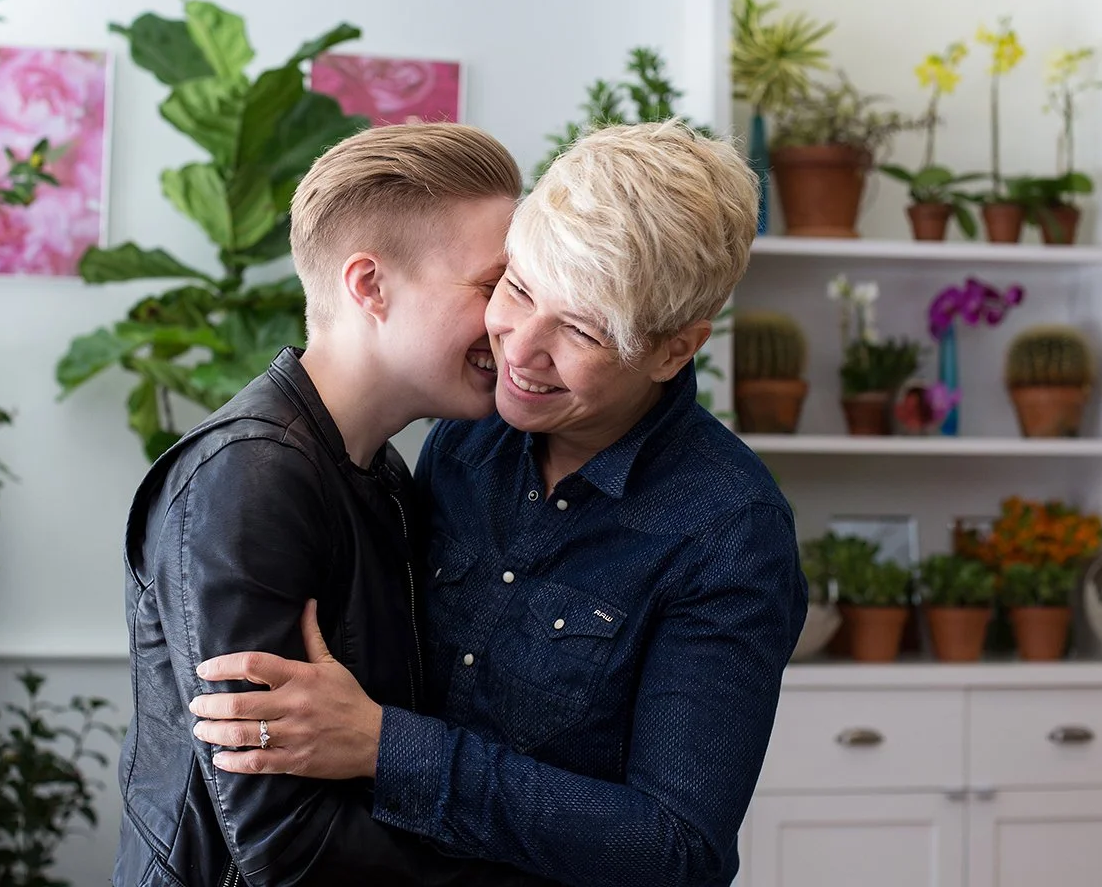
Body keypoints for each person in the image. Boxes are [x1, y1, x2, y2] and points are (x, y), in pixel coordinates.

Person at [191, 120, 808, 887]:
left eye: (579, 329)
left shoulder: (729, 533)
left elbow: (678, 850)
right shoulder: (465, 440)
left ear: (674, 349)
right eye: (515, 287)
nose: (517, 348)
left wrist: (390, 749)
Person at [113, 123, 553, 887]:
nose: (509, 322)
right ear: (369, 286)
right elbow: (283, 843)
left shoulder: (379, 470)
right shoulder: (249, 480)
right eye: (494, 286)